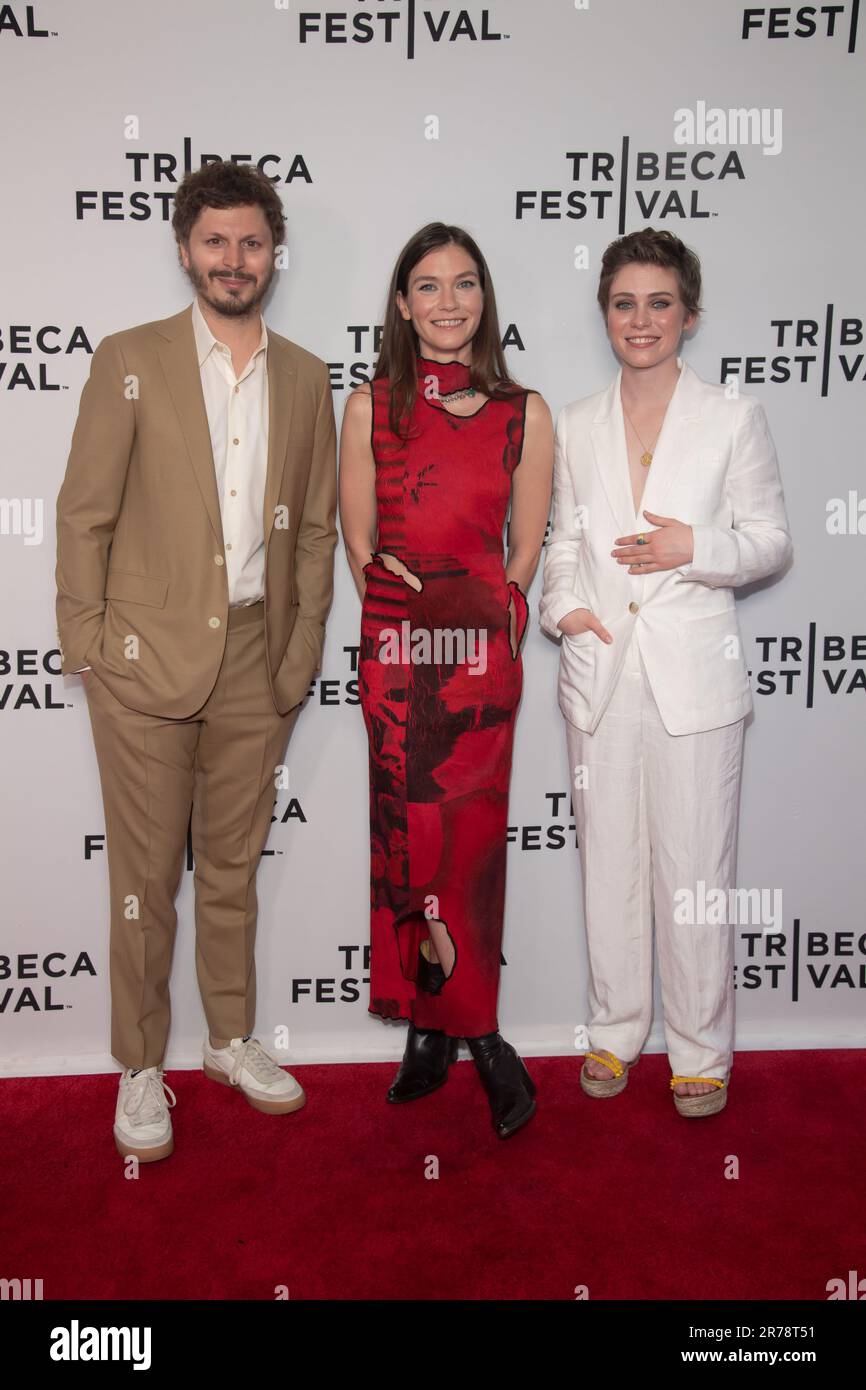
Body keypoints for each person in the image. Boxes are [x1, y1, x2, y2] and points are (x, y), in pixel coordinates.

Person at [55, 161, 338, 1161]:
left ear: (273, 253)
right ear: (185, 250)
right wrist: (90, 646)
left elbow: (315, 532)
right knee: (143, 880)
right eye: (215, 240)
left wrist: (301, 649)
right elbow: (84, 513)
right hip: (144, 661)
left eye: (251, 241)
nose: (233, 258)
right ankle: (141, 1064)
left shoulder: (306, 375)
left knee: (232, 869)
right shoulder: (130, 358)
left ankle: (228, 1038)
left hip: (259, 657)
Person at [540, 228, 792, 1117]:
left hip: (696, 679)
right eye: (623, 303)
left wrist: (697, 547)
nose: (640, 320)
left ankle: (700, 1051)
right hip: (601, 670)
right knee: (608, 865)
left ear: (690, 314)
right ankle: (614, 1032)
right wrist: (561, 609)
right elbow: (562, 541)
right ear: (604, 313)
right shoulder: (574, 421)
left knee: (695, 872)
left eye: (659, 303)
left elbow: (771, 542)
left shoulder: (732, 417)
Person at [339, 223, 553, 1138]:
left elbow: (526, 545)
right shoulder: (369, 407)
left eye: (465, 284)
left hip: (480, 667)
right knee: (408, 840)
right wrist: (399, 631)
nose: (448, 302)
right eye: (427, 286)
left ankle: (479, 1031)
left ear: (484, 298)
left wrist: (498, 622)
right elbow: (359, 540)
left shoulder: (523, 411)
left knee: (469, 848)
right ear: (402, 303)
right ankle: (432, 1025)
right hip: (397, 659)